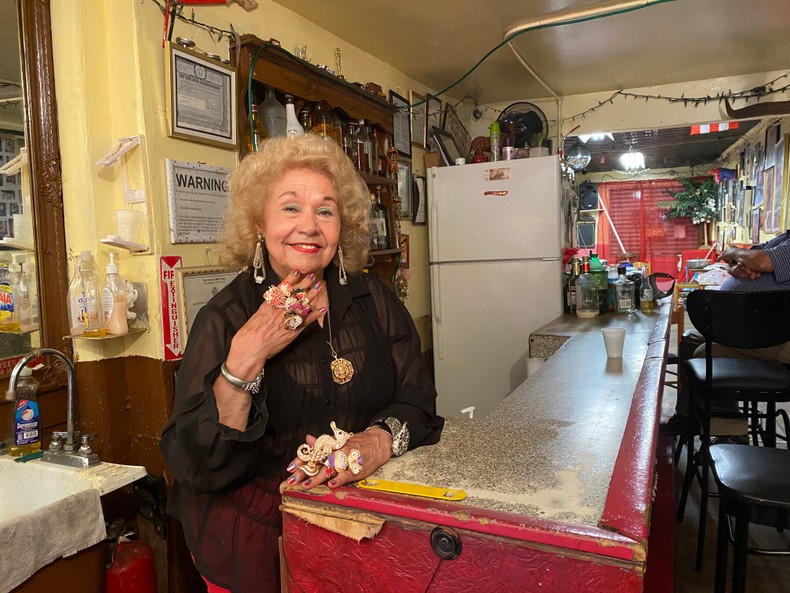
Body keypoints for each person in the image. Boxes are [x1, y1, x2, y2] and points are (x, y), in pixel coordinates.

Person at [160, 135, 444, 593]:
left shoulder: (374, 300)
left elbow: (418, 399)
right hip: (258, 543)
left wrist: (378, 441)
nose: (309, 226)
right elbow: (198, 466)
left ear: (341, 225)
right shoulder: (225, 318)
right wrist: (246, 356)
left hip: (365, 530)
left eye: (325, 210)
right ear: (259, 222)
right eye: (290, 208)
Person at [661, 231, 790, 432]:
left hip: (778, 339)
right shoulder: (783, 239)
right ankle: (689, 416)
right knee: (690, 341)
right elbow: (735, 258)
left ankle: (729, 431)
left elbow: (762, 261)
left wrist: (749, 260)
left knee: (705, 354)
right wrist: (740, 265)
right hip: (752, 327)